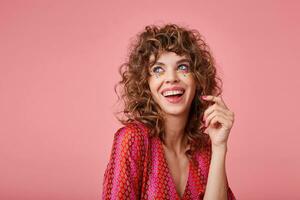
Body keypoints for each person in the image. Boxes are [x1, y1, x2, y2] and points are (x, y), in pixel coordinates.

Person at [102, 23, 236, 200]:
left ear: (198, 79)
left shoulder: (204, 148)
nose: (171, 78)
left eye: (182, 67)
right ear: (146, 83)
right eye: (158, 69)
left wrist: (219, 147)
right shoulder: (132, 140)